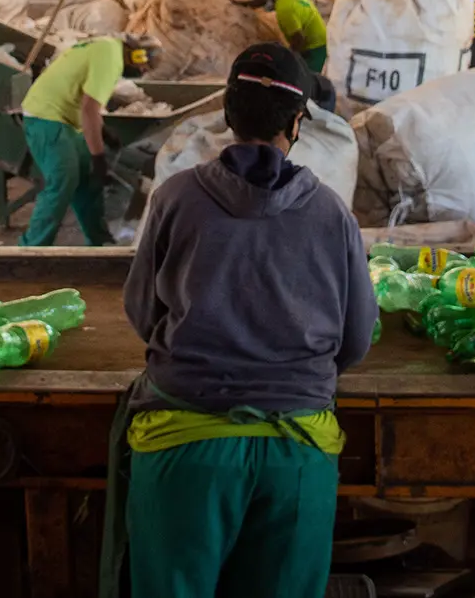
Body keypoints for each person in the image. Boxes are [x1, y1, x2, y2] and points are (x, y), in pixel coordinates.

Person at [116, 42, 376, 598]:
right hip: (297, 453)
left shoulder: (175, 198)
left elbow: (141, 311)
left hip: (184, 445)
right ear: (297, 123)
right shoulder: (331, 212)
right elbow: (355, 340)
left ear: (227, 114)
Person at [17, 35, 154, 246]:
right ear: (132, 54)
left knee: (89, 180)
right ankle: (31, 249)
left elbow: (86, 100)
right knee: (64, 179)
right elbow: (89, 109)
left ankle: (99, 242)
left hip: (67, 117)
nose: (143, 69)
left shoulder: (107, 48)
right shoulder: (111, 58)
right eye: (142, 62)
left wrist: (103, 131)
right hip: (46, 115)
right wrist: (98, 157)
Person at [251, 0, 327, 74]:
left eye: (263, 6)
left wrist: (287, 58)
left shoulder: (285, 12)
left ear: (268, 3)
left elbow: (299, 40)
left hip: (316, 45)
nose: (263, 9)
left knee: (308, 77)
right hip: (318, 28)